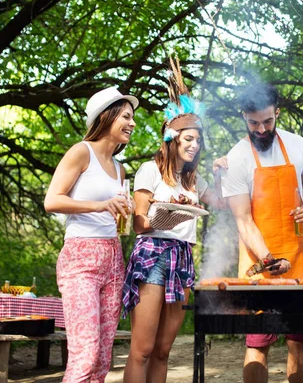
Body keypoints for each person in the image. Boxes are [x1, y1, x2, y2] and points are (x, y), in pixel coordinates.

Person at [122, 58, 225, 382]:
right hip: (152, 253)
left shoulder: (195, 181)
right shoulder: (150, 171)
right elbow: (138, 224)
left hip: (182, 256)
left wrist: (221, 174)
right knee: (142, 349)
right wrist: (165, 213)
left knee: (165, 350)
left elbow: (221, 204)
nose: (195, 146)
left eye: (198, 140)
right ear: (172, 138)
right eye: (188, 139)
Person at [216, 82, 303, 383]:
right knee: (258, 343)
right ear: (244, 117)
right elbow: (243, 220)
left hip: (299, 257)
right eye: (253, 123)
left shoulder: (298, 145)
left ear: (277, 113)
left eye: (268, 121)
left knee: (299, 341)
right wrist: (269, 259)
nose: (261, 129)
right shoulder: (236, 159)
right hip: (258, 261)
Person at [43, 87, 138, 382]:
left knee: (102, 358)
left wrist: (128, 209)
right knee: (85, 353)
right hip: (80, 258)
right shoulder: (80, 151)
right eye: (126, 116)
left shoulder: (121, 170)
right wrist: (100, 205)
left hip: (113, 259)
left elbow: (117, 214)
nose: (132, 123)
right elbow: (52, 201)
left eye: (133, 118)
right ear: (105, 116)